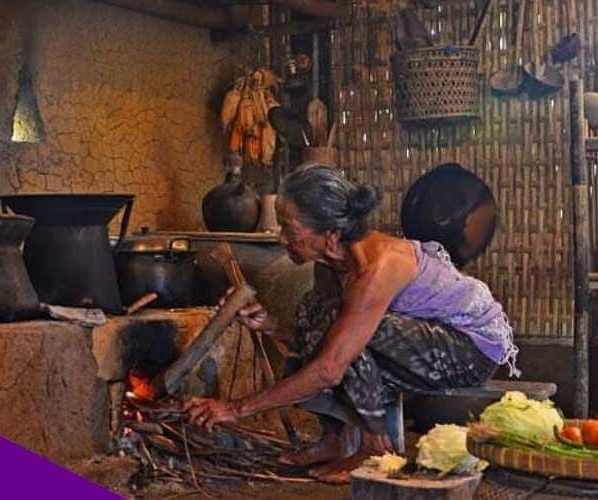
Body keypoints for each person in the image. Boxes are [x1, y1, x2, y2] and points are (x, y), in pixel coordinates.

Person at [184, 164, 518, 484]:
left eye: (291, 229)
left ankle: (374, 448)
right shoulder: (332, 264)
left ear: (331, 235)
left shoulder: (378, 268)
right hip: (424, 339)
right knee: (317, 312)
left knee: (354, 336)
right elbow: (315, 338)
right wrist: (269, 324)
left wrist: (234, 408)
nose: (281, 237)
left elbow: (330, 368)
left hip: (471, 348)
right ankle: (335, 441)